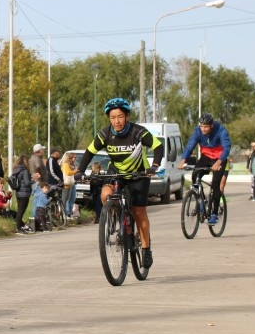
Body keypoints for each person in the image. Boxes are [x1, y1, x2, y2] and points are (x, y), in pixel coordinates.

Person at [77, 98, 164, 269]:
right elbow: (89, 152)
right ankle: (115, 215)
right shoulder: (105, 134)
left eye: (120, 117)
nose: (117, 121)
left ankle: (146, 249)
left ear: (127, 116)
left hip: (138, 174)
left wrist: (154, 166)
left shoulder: (138, 132)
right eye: (113, 117)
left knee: (139, 213)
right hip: (116, 172)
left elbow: (158, 146)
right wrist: (80, 171)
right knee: (105, 195)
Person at [178, 113, 232, 226]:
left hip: (219, 158)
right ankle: (202, 201)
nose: (203, 129)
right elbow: (190, 145)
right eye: (201, 126)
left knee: (215, 185)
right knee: (195, 176)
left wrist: (219, 162)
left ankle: (214, 214)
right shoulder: (197, 131)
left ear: (211, 126)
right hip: (206, 157)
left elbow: (226, 148)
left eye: (206, 126)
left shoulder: (220, 130)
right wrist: (183, 159)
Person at [10, 155, 34, 233]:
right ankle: (18, 228)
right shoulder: (25, 170)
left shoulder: (16, 169)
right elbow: (27, 183)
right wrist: (34, 180)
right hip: (25, 193)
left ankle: (19, 226)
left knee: (19, 210)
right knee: (21, 211)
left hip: (18, 192)